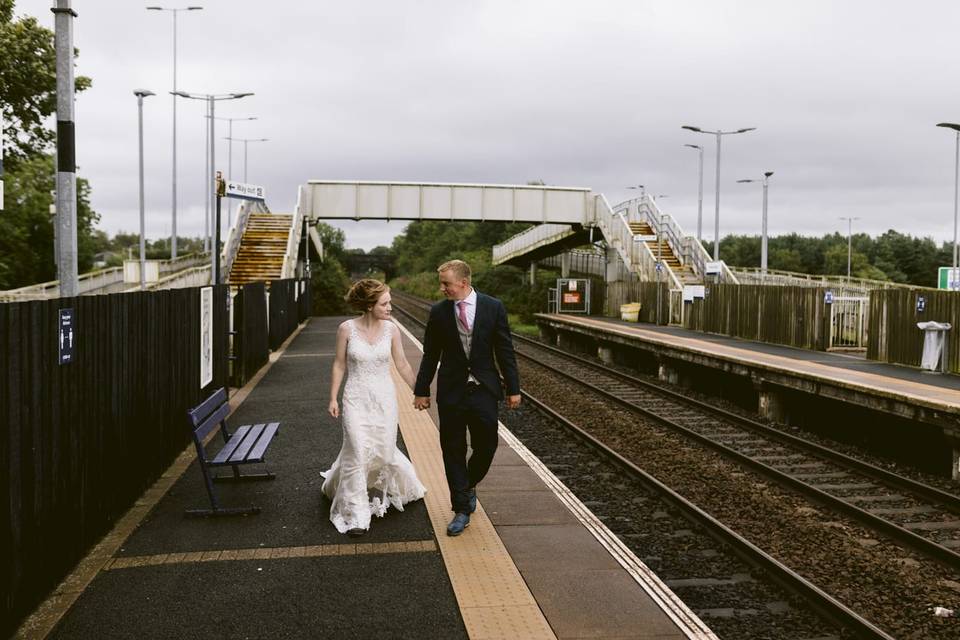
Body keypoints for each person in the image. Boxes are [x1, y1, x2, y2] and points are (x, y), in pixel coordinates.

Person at [414, 260, 521, 536]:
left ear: (463, 282)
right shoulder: (439, 312)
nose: (442, 288)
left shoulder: (492, 307)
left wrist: (513, 388)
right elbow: (430, 354)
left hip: (484, 389)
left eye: (446, 283)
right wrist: (422, 389)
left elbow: (504, 350)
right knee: (453, 449)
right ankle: (461, 508)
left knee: (487, 445)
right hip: (451, 392)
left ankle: (467, 484)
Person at [322, 279, 426, 537]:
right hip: (355, 398)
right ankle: (358, 513)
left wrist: (419, 390)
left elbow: (402, 364)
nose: (391, 307)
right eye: (385, 303)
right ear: (369, 305)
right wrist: (333, 397)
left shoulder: (392, 330)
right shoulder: (346, 329)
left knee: (384, 451)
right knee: (357, 450)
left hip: (384, 400)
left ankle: (340, 483)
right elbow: (339, 364)